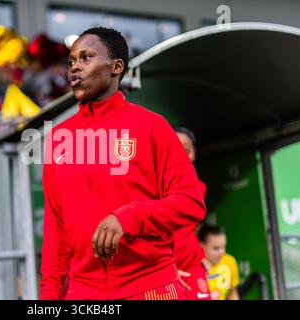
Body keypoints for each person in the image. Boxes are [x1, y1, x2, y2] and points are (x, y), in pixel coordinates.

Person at [40, 27, 206, 300]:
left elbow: (191, 203)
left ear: (116, 66)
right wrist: (49, 296)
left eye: (86, 58)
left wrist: (130, 216)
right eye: (71, 62)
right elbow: (56, 228)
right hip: (83, 294)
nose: (74, 69)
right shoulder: (60, 138)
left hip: (151, 286)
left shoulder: (152, 126)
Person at [173, 126, 211, 300]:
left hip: (193, 267)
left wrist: (201, 255)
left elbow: (191, 228)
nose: (181, 155)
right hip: (167, 270)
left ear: (194, 153)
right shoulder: (151, 189)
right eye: (173, 149)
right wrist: (166, 270)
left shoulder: (200, 188)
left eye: (186, 150)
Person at [198, 224, 240, 300]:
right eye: (216, 248)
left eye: (224, 246)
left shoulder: (229, 261)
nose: (222, 252)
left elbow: (233, 292)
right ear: (201, 245)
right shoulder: (192, 267)